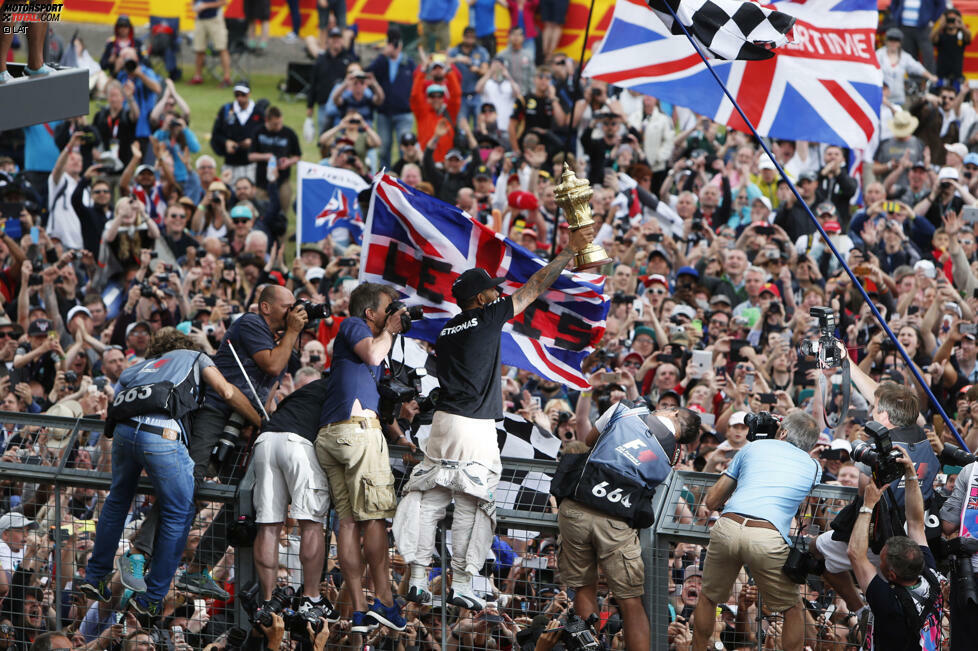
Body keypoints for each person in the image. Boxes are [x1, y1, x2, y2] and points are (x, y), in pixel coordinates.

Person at [392, 223, 595, 611]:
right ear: (479, 297)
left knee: (431, 499)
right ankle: (464, 581)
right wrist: (568, 252)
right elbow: (534, 288)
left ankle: (417, 576)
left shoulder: (448, 331)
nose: (497, 294)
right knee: (473, 503)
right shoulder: (487, 317)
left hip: (443, 425)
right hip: (475, 428)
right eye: (491, 290)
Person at [121, 285, 307, 603]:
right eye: (288, 305)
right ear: (265, 307)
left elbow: (272, 389)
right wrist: (292, 333)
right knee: (190, 480)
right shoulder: (250, 323)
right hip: (216, 412)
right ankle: (138, 553)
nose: (294, 312)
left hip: (245, 423)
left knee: (248, 499)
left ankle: (200, 568)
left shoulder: (283, 340)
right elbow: (273, 365)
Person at [78, 328, 260, 619]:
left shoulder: (136, 368)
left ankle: (95, 577)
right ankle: (152, 597)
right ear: (184, 344)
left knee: (117, 500)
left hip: (124, 434)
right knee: (180, 511)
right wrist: (258, 418)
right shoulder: (195, 356)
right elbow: (226, 391)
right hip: (161, 434)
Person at [551, 402, 701, 651]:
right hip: (617, 521)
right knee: (631, 601)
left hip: (578, 504)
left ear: (673, 411)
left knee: (584, 588)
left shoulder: (627, 409)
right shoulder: (670, 458)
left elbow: (589, 440)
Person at [315, 283, 408, 633]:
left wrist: (399, 437)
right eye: (388, 309)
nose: (393, 315)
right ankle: (384, 600)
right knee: (376, 518)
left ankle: (357, 609)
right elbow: (372, 354)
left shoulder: (369, 340)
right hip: (356, 432)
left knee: (349, 522)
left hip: (334, 435)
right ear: (371, 313)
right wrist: (391, 329)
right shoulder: (355, 325)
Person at [691, 411, 822, 651]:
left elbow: (711, 502)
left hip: (728, 525)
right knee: (792, 608)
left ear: (782, 432)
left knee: (709, 598)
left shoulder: (752, 448)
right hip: (767, 536)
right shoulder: (815, 467)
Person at [252, 372, 337, 623]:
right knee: (311, 524)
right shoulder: (344, 389)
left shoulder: (307, 389)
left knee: (268, 525)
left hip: (266, 441)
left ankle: (267, 602)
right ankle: (311, 598)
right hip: (298, 444)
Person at [849, 447, 943, 651]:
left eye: (881, 560)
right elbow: (916, 523)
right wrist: (910, 473)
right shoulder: (932, 577)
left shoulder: (889, 603)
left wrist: (867, 505)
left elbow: (856, 555)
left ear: (891, 574)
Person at [211, 82, 266, 184]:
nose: (240, 98)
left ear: (249, 94)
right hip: (230, 163)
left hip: (251, 165)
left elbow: (265, 135)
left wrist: (252, 142)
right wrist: (226, 142)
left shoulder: (259, 113)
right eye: (237, 95)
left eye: (243, 95)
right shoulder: (226, 110)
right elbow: (216, 134)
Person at [188, 0, 231, 86]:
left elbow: (223, 2)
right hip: (200, 19)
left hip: (214, 19)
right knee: (199, 49)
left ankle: (227, 78)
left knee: (222, 48)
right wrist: (195, 7)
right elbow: (194, 2)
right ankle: (198, 76)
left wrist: (205, 5)